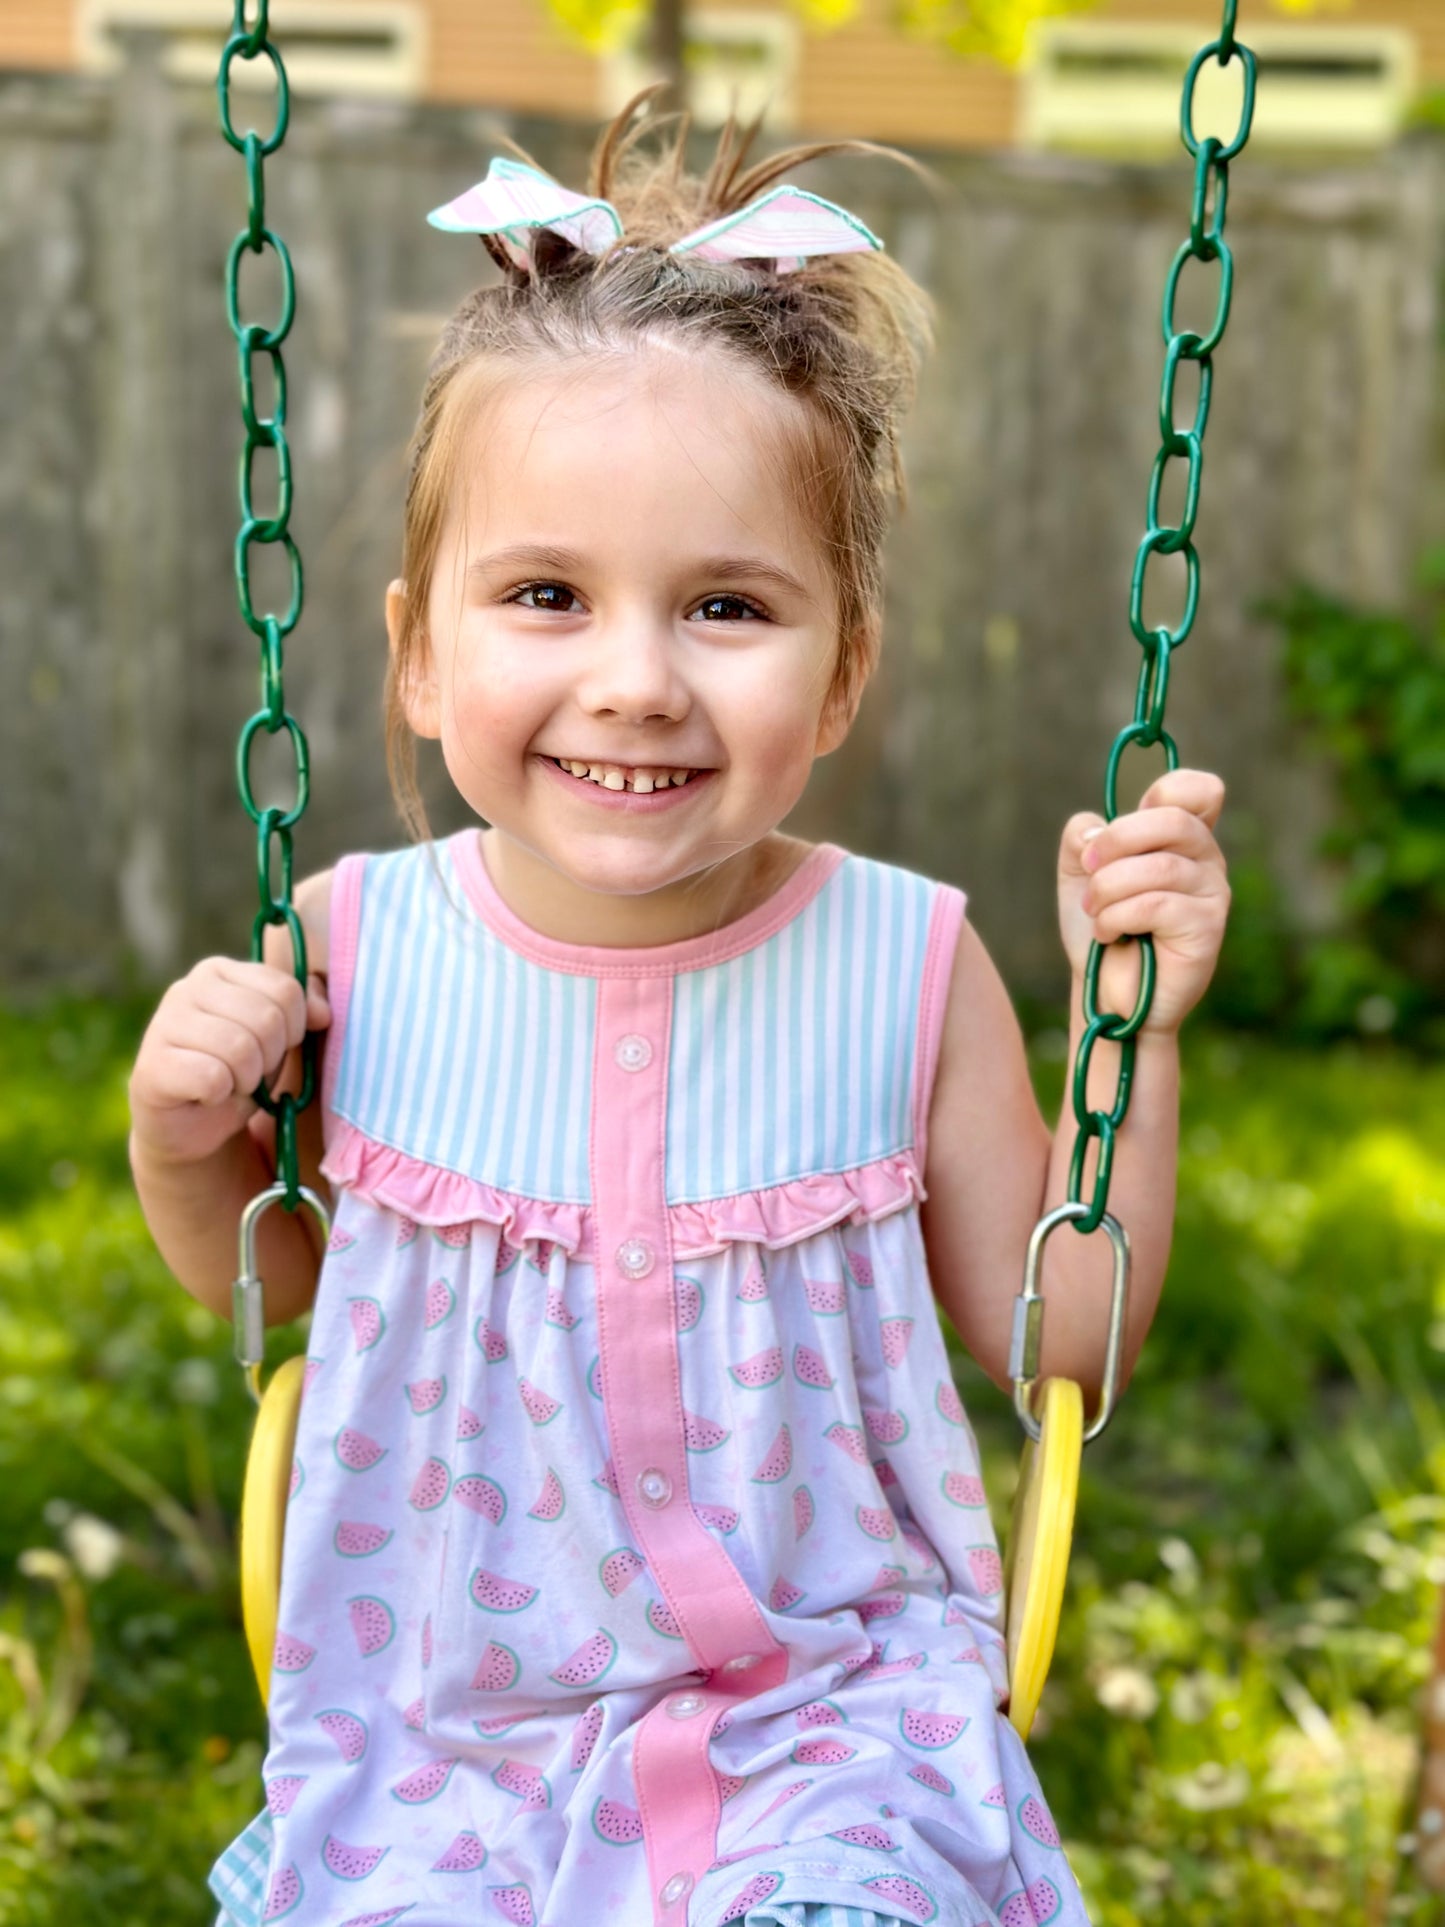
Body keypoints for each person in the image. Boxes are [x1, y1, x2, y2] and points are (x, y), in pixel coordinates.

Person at [127, 95, 1229, 1927]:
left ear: (844, 667)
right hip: (446, 1737)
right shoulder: (356, 945)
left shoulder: (904, 960)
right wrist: (186, 1140)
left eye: (725, 605)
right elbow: (283, 1285)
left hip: (837, 1721)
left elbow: (1072, 1338)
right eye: (545, 595)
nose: (632, 681)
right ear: (417, 650)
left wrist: (1144, 1033)